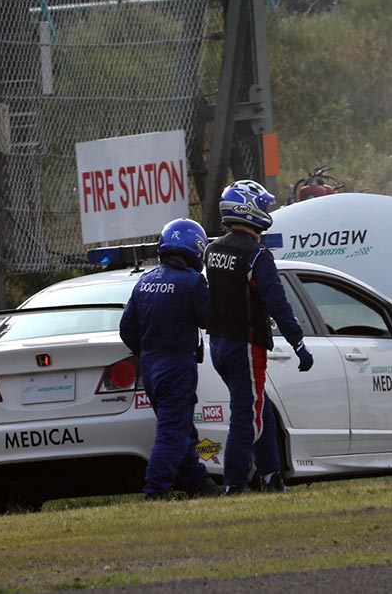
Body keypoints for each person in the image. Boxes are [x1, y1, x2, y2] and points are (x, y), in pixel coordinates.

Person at [205, 180, 314, 495]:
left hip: (219, 345)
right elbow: (277, 302)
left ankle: (270, 476)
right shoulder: (257, 255)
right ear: (249, 210)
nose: (267, 211)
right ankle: (235, 484)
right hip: (246, 344)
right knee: (246, 416)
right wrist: (298, 342)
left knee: (260, 407)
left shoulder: (212, 250)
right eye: (263, 206)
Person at [119, 218, 222, 500]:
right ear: (197, 248)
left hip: (151, 367)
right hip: (177, 365)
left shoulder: (145, 282)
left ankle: (198, 483)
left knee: (182, 427)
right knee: (172, 432)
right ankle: (156, 490)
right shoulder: (192, 282)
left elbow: (126, 329)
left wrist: (147, 350)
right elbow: (208, 320)